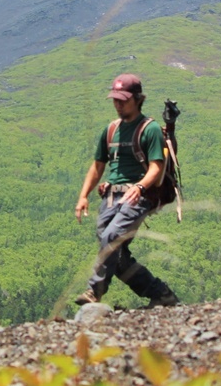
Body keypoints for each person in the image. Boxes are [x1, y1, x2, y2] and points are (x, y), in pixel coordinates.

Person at [73, 73, 179, 308]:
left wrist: (140, 187)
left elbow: (156, 167)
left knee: (111, 237)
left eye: (123, 99)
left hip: (138, 196)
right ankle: (161, 295)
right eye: (115, 99)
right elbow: (98, 166)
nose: (118, 104)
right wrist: (83, 196)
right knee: (116, 256)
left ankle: (94, 291)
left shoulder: (149, 129)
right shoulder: (110, 130)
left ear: (137, 99)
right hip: (111, 196)